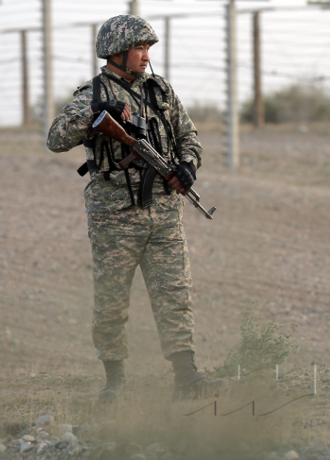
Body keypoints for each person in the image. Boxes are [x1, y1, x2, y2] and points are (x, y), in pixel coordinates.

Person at [46, 14, 225, 402]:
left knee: (174, 292)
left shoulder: (160, 92)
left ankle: (186, 377)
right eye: (139, 48)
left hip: (163, 212)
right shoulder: (91, 94)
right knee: (111, 298)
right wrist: (95, 114)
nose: (146, 56)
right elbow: (56, 138)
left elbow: (188, 136)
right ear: (117, 52)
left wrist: (187, 166)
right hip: (114, 216)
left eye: (148, 49)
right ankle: (114, 382)